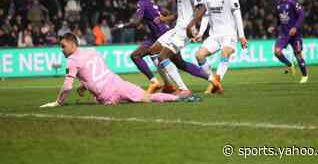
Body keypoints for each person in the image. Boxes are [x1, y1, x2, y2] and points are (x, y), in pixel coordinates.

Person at [40, 33, 200, 108]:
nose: (61, 50)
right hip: (117, 84)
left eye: (63, 46)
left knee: (143, 99)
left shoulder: (71, 61)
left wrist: (58, 102)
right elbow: (97, 71)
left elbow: (68, 86)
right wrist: (84, 85)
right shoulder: (92, 51)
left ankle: (178, 99)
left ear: (73, 44)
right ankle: (180, 98)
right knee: (147, 98)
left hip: (106, 97)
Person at [116, 0, 209, 93]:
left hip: (159, 35)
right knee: (179, 63)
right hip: (161, 33)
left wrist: (122, 26)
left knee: (139, 55)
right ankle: (210, 78)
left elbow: (135, 22)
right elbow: (165, 12)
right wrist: (161, 18)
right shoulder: (152, 2)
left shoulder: (142, 3)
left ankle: (163, 83)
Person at [147, 0, 223, 97]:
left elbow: (201, 8)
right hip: (177, 28)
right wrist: (166, 19)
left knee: (162, 56)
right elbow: (182, 12)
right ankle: (211, 80)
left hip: (184, 31)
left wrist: (191, 24)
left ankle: (183, 89)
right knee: (154, 51)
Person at [194, 0, 248, 94]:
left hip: (229, 35)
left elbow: (237, 15)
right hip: (214, 35)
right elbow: (206, 17)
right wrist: (201, 33)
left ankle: (215, 83)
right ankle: (214, 82)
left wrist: (241, 36)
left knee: (224, 53)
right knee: (199, 55)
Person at [267, 0, 308, 83]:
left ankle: (304, 75)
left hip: (295, 34)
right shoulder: (278, 4)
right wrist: (273, 26)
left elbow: (302, 14)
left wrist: (295, 27)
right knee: (277, 52)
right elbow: (278, 19)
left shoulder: (292, 2)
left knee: (298, 55)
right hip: (284, 34)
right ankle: (290, 65)